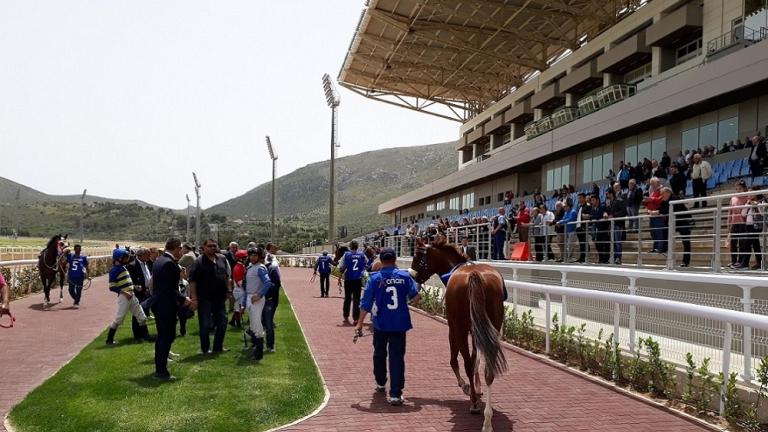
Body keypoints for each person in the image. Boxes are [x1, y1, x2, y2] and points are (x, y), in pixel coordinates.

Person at [354, 247, 420, 406]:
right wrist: (407, 303)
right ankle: (396, 394)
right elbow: (417, 296)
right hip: (399, 323)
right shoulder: (405, 277)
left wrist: (360, 324)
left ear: (381, 261)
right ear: (395, 259)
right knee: (397, 357)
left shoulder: (375, 278)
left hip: (380, 324)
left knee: (379, 353)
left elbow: (366, 304)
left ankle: (381, 382)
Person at [150, 238, 192, 380]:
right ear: (175, 248)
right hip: (166, 305)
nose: (181, 251)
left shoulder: (159, 260)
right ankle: (161, 371)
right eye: (180, 248)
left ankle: (159, 367)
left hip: (159, 304)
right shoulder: (169, 264)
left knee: (162, 337)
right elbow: (169, 288)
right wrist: (183, 299)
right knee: (167, 337)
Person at [188, 239, 231, 354]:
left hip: (220, 298)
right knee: (205, 324)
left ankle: (218, 347)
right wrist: (194, 298)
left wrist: (228, 290)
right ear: (204, 247)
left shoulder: (222, 258)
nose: (212, 248)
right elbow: (192, 281)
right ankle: (205, 349)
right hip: (204, 298)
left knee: (223, 321)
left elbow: (226, 276)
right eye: (210, 246)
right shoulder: (198, 262)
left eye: (214, 246)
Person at [105, 248, 154, 345]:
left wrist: (135, 287)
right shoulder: (114, 270)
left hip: (132, 295)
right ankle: (109, 339)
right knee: (119, 319)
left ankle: (145, 336)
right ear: (119, 259)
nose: (128, 259)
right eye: (125, 257)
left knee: (142, 317)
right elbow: (112, 287)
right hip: (124, 297)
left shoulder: (124, 268)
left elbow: (127, 282)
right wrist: (125, 293)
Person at [243, 247, 272, 360]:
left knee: (256, 324)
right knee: (253, 324)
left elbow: (267, 282)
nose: (253, 257)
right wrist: (244, 302)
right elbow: (247, 286)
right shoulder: (250, 267)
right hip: (250, 297)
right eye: (251, 255)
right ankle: (255, 348)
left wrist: (259, 295)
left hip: (256, 298)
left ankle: (258, 354)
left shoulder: (260, 268)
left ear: (259, 256)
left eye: (255, 255)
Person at [338, 240, 367, 326]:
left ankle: (346, 316)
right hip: (358, 279)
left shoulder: (346, 254)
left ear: (350, 246)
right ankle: (356, 318)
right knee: (356, 300)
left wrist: (340, 277)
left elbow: (342, 267)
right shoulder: (361, 254)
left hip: (348, 279)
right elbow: (366, 263)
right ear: (357, 246)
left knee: (347, 298)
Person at [127, 248, 153, 340]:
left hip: (147, 292)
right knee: (138, 314)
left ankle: (144, 334)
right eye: (147, 255)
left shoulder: (147, 264)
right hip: (139, 293)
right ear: (140, 255)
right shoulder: (132, 265)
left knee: (144, 314)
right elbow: (131, 281)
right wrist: (140, 288)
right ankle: (138, 335)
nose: (149, 256)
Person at [727, 180, 749, 269]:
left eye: (740, 188)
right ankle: (733, 261)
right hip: (734, 223)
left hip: (743, 223)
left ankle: (740, 261)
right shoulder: (733, 198)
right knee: (733, 243)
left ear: (744, 189)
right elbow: (730, 212)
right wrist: (728, 223)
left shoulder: (747, 197)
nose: (738, 190)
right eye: (737, 189)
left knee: (742, 243)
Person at [263, 254, 281, 353]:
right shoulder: (252, 267)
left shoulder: (272, 269)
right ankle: (256, 342)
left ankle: (270, 345)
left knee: (268, 323)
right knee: (258, 322)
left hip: (268, 300)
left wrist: (264, 293)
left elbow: (276, 285)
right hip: (257, 300)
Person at [670, 192, 693, 268]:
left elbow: (685, 212)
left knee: (686, 243)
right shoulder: (671, 199)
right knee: (686, 243)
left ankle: (685, 261)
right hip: (678, 223)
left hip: (683, 223)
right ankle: (684, 262)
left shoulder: (674, 199)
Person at [606, 188, 627, 265]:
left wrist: (613, 215)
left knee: (618, 242)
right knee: (613, 242)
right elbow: (608, 212)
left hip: (618, 224)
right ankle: (614, 257)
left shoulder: (619, 200)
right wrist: (605, 213)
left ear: (611, 194)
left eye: (607, 194)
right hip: (611, 225)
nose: (606, 195)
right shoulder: (609, 202)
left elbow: (624, 212)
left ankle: (618, 258)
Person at [229, 249, 248, 328]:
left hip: (240, 289)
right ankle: (238, 324)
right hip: (239, 289)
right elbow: (239, 282)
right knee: (239, 307)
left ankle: (233, 321)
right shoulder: (238, 267)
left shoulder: (241, 266)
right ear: (240, 258)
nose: (246, 259)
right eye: (245, 257)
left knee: (238, 307)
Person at [589, 195, 610, 264]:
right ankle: (601, 259)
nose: (592, 202)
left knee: (606, 245)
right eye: (591, 200)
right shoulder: (592, 209)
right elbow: (592, 217)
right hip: (597, 230)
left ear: (597, 200)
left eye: (593, 200)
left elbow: (605, 214)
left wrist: (603, 215)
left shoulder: (603, 206)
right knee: (598, 245)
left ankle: (606, 259)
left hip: (604, 228)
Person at [575, 193, 591, 263]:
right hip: (578, 227)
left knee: (585, 243)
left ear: (584, 198)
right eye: (578, 198)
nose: (579, 199)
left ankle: (586, 257)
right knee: (581, 243)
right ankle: (582, 257)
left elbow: (589, 216)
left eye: (581, 198)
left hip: (584, 227)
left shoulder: (588, 206)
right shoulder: (579, 207)